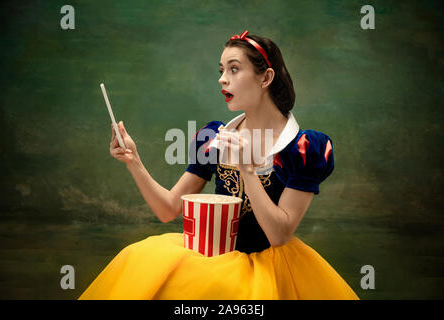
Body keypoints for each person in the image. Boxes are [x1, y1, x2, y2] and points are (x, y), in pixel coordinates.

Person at [79, 30, 359, 300]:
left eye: (234, 69)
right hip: (210, 261)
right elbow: (168, 210)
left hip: (269, 270)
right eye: (221, 70)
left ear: (266, 77)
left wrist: (247, 168)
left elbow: (278, 234)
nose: (223, 80)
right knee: (138, 261)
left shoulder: (304, 148)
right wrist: (134, 162)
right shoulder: (214, 137)